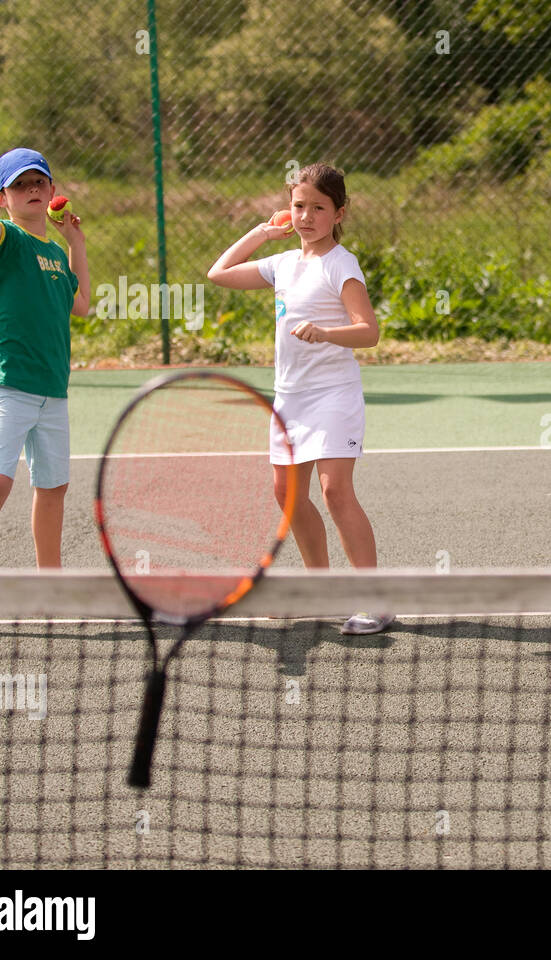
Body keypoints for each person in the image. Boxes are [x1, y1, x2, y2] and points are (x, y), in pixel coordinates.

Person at [207, 162, 387, 634]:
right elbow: (218, 273)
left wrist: (326, 333)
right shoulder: (283, 263)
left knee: (334, 490)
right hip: (289, 398)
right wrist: (261, 234)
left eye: (318, 208)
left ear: (339, 213)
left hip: (333, 395)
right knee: (287, 495)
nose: (306, 216)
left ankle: (374, 599)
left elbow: (368, 332)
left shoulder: (341, 264)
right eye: (298, 206)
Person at [0, 148, 90, 634]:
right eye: (20, 184)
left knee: (53, 487)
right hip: (7, 379)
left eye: (39, 182)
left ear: (51, 192)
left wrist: (77, 244)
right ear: (2, 196)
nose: (32, 189)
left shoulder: (53, 254)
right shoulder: (6, 239)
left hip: (53, 386)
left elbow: (83, 305)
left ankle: (50, 590)